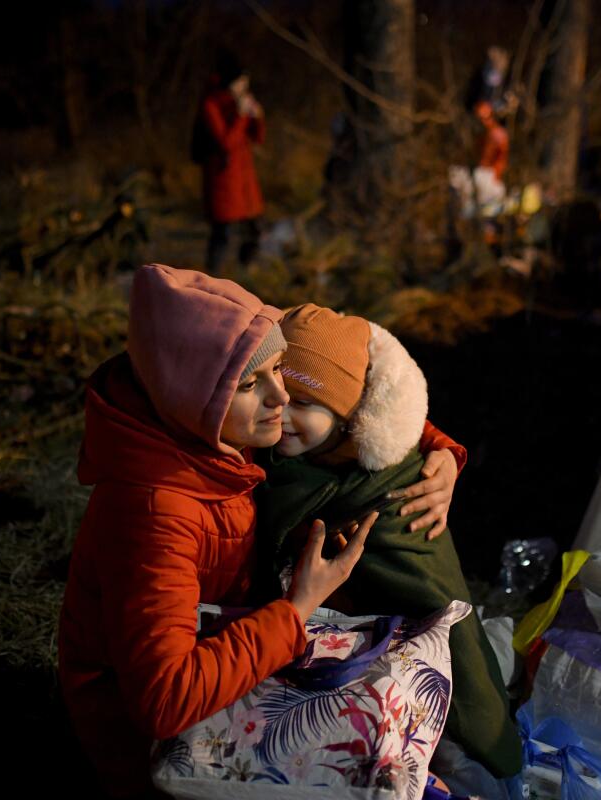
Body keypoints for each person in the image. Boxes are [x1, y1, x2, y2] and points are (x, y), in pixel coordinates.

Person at [58, 265, 463, 797]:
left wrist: (440, 450)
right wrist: (297, 607)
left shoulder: (211, 429)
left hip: (230, 658)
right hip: (159, 756)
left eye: (281, 371)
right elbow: (165, 703)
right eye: (254, 383)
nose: (281, 397)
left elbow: (347, 382)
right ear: (196, 394)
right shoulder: (154, 512)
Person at [253, 303, 523, 791]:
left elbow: (430, 597)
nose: (282, 412)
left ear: (349, 414)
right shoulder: (297, 451)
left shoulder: (394, 491)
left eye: (304, 403)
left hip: (406, 659)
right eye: (278, 392)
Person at [197, 51, 264, 273]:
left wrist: (258, 117)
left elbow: (258, 138)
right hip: (223, 180)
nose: (245, 87)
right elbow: (226, 141)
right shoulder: (211, 104)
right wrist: (241, 115)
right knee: (222, 232)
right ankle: (211, 278)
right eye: (241, 82)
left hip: (244, 179)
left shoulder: (239, 102)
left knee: (254, 229)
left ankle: (247, 271)